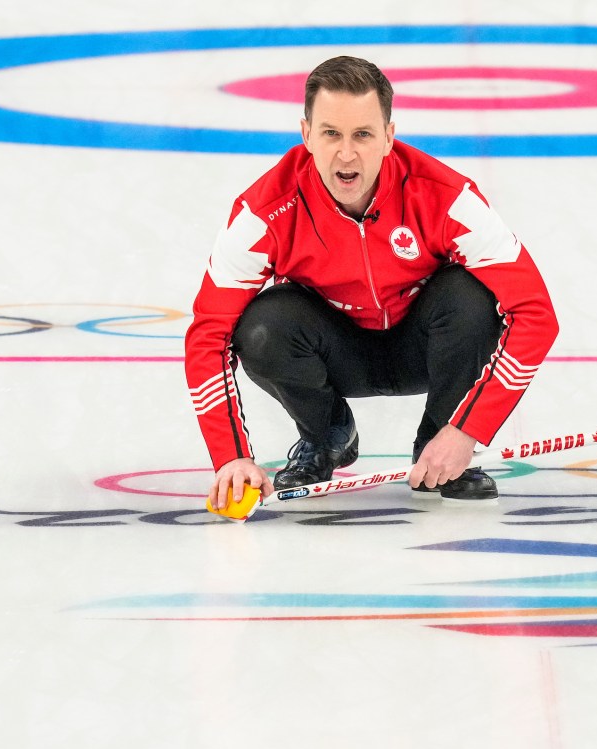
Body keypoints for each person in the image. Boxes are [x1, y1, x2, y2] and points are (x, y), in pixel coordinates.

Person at [184, 55, 558, 515]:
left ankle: (439, 449)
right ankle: (327, 435)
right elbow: (209, 335)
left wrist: (467, 431)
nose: (346, 153)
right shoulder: (264, 213)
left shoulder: (446, 197)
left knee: (471, 295)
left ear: (388, 137)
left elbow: (537, 315)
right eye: (330, 134)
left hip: (427, 347)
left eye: (362, 134)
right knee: (261, 325)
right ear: (306, 135)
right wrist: (232, 457)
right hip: (336, 355)